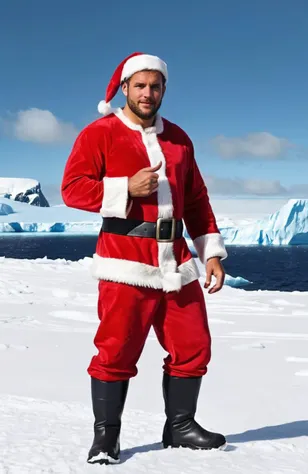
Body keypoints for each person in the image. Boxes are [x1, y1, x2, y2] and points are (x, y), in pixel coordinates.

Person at [61, 51, 228, 465]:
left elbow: (196, 200)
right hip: (125, 262)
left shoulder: (179, 139)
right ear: (124, 88)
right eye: (140, 86)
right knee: (116, 350)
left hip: (178, 263)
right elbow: (72, 189)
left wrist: (211, 252)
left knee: (194, 345)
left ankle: (180, 426)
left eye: (155, 85)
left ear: (164, 89)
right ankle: (106, 438)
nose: (148, 93)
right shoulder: (99, 133)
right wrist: (124, 189)